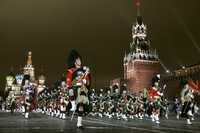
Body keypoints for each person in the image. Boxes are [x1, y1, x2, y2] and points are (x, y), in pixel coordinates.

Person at [66, 49, 91, 128]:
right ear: (74, 61)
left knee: (81, 105)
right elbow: (69, 81)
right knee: (70, 91)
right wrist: (75, 82)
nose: (80, 60)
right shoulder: (71, 71)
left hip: (82, 88)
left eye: (80, 59)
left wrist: (86, 80)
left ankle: (79, 123)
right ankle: (73, 104)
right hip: (74, 88)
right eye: (78, 59)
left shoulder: (84, 70)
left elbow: (88, 81)